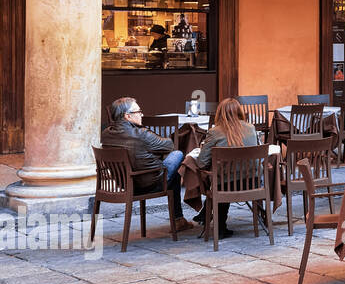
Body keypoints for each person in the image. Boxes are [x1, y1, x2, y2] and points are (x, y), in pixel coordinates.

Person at [100, 97, 192, 234]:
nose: (142, 114)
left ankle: (179, 220)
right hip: (150, 184)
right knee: (177, 155)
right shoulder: (141, 134)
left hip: (125, 184)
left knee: (174, 175)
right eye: (139, 111)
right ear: (128, 116)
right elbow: (169, 145)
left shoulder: (106, 134)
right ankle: (178, 219)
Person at [192, 97, 261, 237]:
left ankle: (218, 227)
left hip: (225, 187)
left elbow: (201, 163)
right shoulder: (251, 128)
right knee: (229, 177)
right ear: (239, 111)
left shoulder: (214, 132)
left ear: (220, 113)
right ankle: (261, 219)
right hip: (252, 184)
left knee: (221, 180)